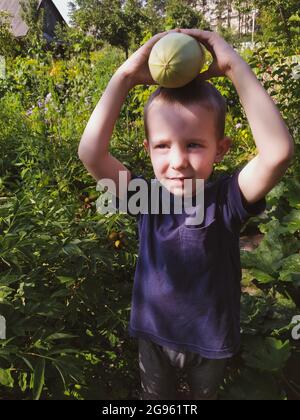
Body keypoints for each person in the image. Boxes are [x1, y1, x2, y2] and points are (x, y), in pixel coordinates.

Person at [78, 29, 294, 400]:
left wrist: (231, 65)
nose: (177, 161)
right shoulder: (144, 197)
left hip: (209, 340)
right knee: (154, 398)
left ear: (220, 149)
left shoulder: (228, 198)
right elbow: (91, 153)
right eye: (163, 146)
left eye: (194, 144)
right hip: (154, 335)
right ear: (147, 149)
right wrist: (126, 75)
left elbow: (277, 153)